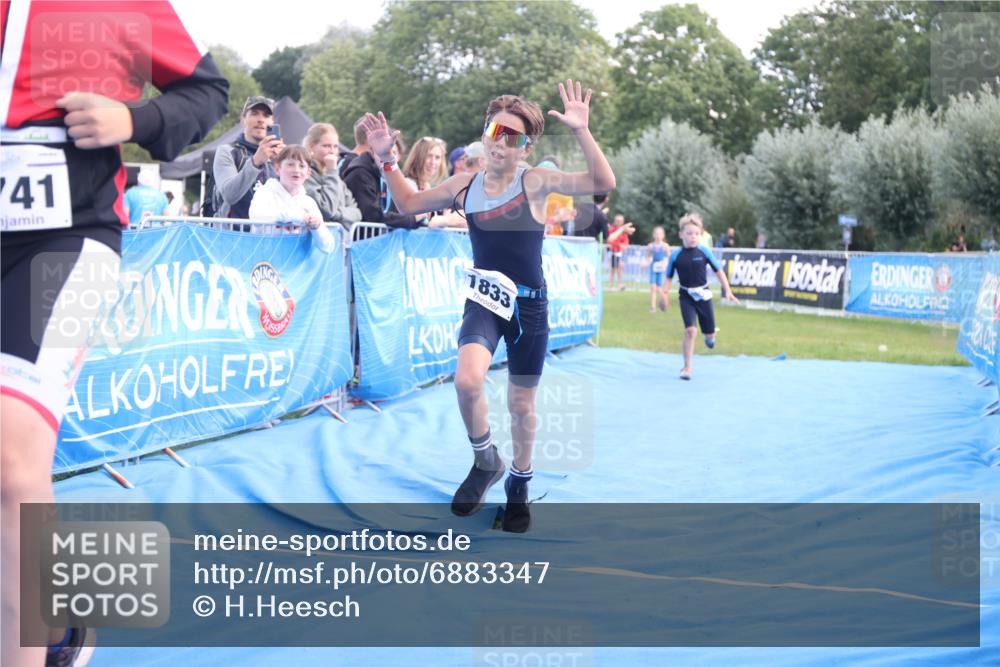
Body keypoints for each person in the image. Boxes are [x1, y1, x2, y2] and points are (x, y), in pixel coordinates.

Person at [0, 4, 228, 667]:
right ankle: (60, 620)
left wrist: (136, 120)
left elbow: (206, 90)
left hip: (66, 239)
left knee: (13, 462)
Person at [359, 79, 615, 532]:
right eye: (495, 132)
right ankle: (485, 461)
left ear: (525, 147)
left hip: (530, 308)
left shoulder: (535, 182)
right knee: (466, 381)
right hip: (484, 300)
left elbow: (602, 182)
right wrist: (386, 159)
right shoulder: (464, 184)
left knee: (521, 405)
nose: (501, 143)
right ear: (485, 134)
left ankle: (519, 481)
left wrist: (581, 130)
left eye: (512, 137)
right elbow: (409, 201)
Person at [663, 214, 741, 380]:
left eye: (697, 234)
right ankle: (687, 368)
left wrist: (727, 290)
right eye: (690, 233)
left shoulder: (704, 251)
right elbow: (669, 277)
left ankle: (711, 336)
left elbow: (718, 271)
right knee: (691, 331)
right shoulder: (676, 255)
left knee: (709, 335)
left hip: (704, 295)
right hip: (686, 296)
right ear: (681, 235)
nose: (693, 237)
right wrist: (664, 295)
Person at [248, 145, 336, 253]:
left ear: (308, 173)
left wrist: (317, 227)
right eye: (290, 164)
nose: (296, 170)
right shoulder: (265, 193)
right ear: (277, 169)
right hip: (265, 263)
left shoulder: (309, 203)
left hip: (295, 268)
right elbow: (256, 217)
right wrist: (295, 216)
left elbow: (328, 247)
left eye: (302, 166)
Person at [341, 119, 424, 229]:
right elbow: (372, 215)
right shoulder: (359, 173)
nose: (387, 157)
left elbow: (397, 209)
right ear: (372, 150)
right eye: (382, 152)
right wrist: (411, 220)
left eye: (392, 153)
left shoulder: (384, 172)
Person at [211, 96, 284, 219]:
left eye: (266, 116)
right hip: (233, 234)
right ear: (243, 119)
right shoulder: (227, 152)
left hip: (269, 234)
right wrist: (256, 162)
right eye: (254, 114)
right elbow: (230, 195)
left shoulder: (279, 156)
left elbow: (293, 198)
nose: (260, 120)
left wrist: (283, 165)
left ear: (272, 122)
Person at [302, 123, 362, 227]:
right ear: (312, 146)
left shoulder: (335, 176)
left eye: (335, 146)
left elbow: (357, 214)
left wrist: (337, 214)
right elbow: (327, 210)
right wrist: (331, 171)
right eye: (326, 146)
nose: (332, 151)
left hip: (342, 240)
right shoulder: (305, 175)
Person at [644, 226, 670, 312]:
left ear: (663, 235)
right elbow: (648, 257)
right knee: (653, 287)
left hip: (661, 269)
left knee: (659, 287)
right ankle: (653, 306)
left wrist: (665, 265)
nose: (658, 235)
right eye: (656, 234)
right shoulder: (650, 246)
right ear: (653, 235)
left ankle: (664, 302)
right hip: (653, 268)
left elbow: (668, 257)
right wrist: (645, 264)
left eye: (660, 234)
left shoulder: (665, 246)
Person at [607, 213, 632, 290]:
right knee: (613, 269)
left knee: (620, 268)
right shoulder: (611, 229)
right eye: (617, 221)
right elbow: (610, 240)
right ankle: (611, 285)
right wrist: (619, 245)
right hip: (612, 252)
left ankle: (620, 284)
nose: (618, 222)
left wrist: (624, 245)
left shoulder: (624, 230)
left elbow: (626, 241)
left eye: (620, 221)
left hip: (620, 252)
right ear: (615, 221)